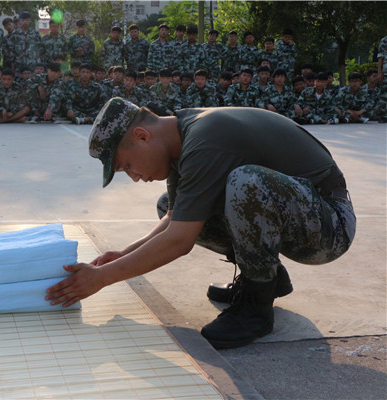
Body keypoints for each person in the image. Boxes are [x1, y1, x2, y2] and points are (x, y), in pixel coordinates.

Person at [45, 97, 356, 350]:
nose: (135, 176)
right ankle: (266, 278)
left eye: (127, 165)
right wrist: (123, 254)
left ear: (142, 136)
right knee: (171, 205)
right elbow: (174, 219)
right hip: (300, 214)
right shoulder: (182, 138)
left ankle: (256, 311)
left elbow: (180, 241)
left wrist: (101, 278)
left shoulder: (205, 140)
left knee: (245, 183)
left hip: (329, 224)